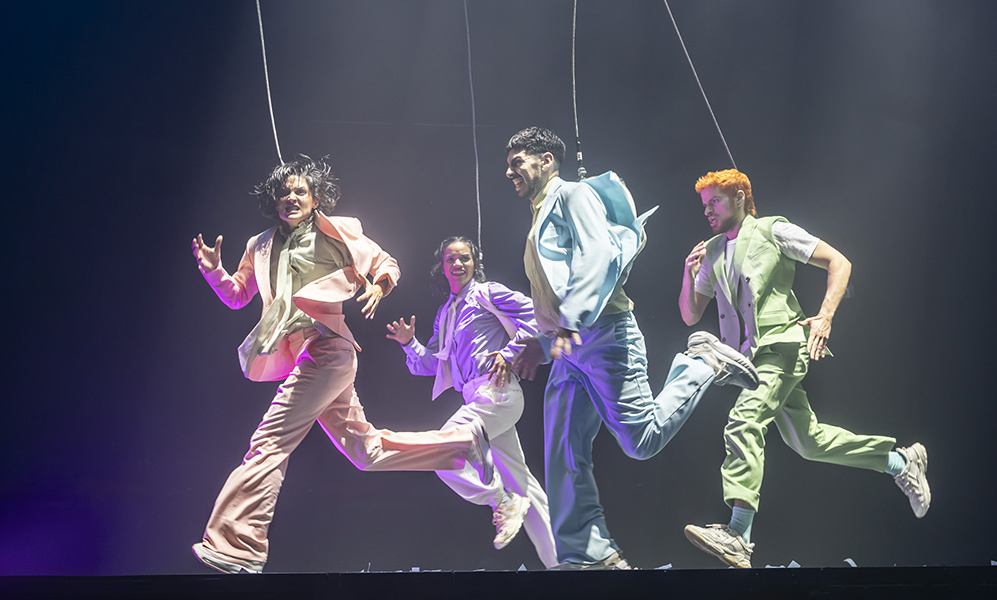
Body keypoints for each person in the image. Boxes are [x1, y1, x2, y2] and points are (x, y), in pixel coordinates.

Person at [189, 155, 491, 574]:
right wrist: (214, 272)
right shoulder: (258, 245)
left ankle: (236, 544)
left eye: (300, 191)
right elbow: (239, 295)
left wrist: (379, 289)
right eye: (284, 192)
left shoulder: (336, 232)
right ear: (273, 200)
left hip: (328, 350)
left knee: (270, 440)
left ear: (315, 199)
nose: (291, 197)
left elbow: (387, 263)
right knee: (365, 453)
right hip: (304, 354)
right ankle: (463, 446)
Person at [504, 127, 759, 570]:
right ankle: (590, 555)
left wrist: (568, 323)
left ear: (546, 160)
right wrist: (544, 344)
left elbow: (598, 255)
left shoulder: (573, 195)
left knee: (640, 440)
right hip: (571, 345)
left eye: (517, 161)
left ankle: (703, 362)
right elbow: (555, 290)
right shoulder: (541, 210)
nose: (509, 171)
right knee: (563, 448)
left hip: (602, 333)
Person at [678, 168, 931, 569]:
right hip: (747, 361)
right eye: (704, 204)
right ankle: (902, 462)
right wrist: (688, 276)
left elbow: (839, 262)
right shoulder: (710, 250)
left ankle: (738, 535)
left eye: (715, 201)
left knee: (744, 422)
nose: (707, 210)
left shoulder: (771, 230)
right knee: (809, 443)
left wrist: (825, 317)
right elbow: (691, 314)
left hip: (782, 347)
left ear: (740, 196)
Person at [385, 236, 558, 568]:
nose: (458, 264)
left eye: (464, 258)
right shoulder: (445, 314)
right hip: (477, 398)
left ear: (473, 263)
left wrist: (509, 352)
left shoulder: (488, 293)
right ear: (442, 267)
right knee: (525, 487)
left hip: (498, 391)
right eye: (451, 259)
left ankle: (498, 500)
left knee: (442, 450)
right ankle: (565, 567)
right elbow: (435, 364)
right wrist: (409, 344)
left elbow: (539, 316)